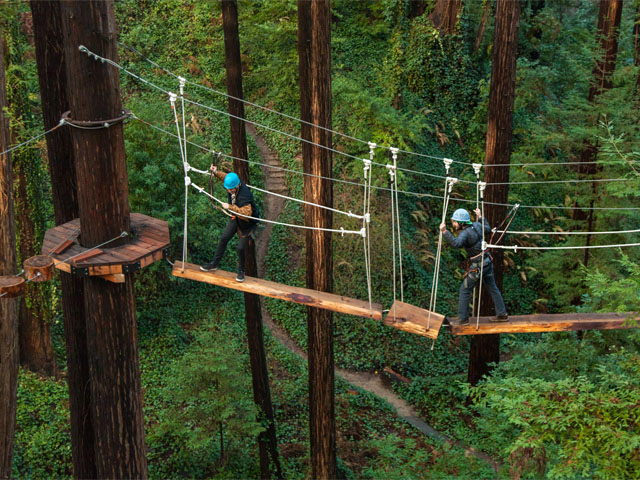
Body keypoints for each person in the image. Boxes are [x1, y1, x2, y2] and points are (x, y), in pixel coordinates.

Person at [440, 208, 508, 325]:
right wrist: (481, 217)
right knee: (492, 288)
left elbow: (456, 244)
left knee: (465, 290)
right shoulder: (477, 225)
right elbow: (487, 229)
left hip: (479, 266)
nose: (454, 224)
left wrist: (445, 232)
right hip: (487, 262)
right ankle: (502, 314)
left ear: (461, 223)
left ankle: (463, 319)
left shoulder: (465, 234)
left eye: (455, 222)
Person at [200, 165, 259, 282]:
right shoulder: (234, 182)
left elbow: (246, 213)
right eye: (228, 189)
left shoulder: (245, 195)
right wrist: (216, 172)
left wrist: (230, 207)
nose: (229, 191)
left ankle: (241, 271)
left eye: (231, 189)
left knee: (241, 248)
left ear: (237, 186)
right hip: (236, 218)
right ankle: (214, 264)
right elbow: (226, 177)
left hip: (247, 223)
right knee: (224, 238)